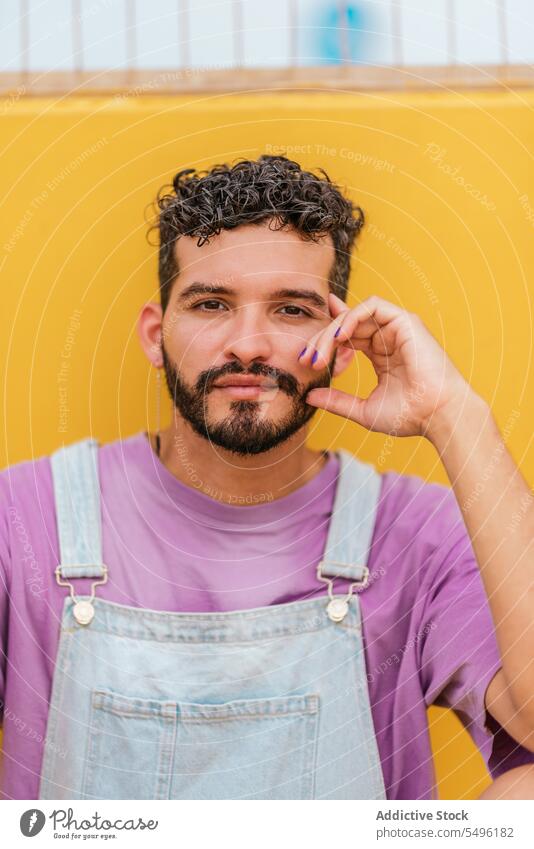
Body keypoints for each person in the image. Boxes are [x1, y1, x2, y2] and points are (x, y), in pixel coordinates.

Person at [1, 155, 533, 800]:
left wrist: (456, 416)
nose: (249, 344)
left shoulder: (416, 534)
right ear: (155, 334)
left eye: (290, 310)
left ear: (342, 339)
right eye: (211, 304)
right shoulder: (24, 518)